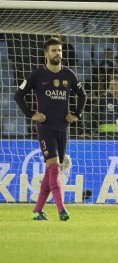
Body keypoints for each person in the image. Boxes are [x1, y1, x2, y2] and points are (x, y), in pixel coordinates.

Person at [14, 37, 87, 221]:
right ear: (46, 53)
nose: (58, 54)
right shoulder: (38, 74)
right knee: (54, 168)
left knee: (51, 172)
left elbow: (83, 95)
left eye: (60, 50)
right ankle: (61, 209)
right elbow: (18, 95)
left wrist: (76, 114)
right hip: (45, 127)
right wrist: (32, 114)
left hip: (62, 128)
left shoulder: (69, 75)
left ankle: (37, 211)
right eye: (54, 50)